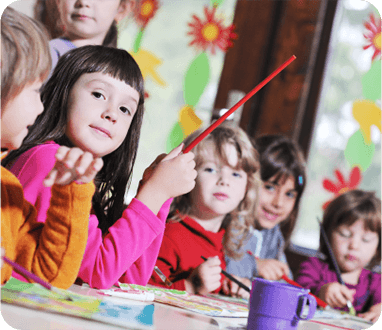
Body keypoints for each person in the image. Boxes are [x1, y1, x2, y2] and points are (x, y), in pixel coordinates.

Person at [2, 45, 197, 290]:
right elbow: (98, 273)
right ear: (63, 92)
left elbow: (128, 281)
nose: (111, 113)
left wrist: (158, 196)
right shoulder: (52, 161)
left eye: (125, 109)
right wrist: (154, 194)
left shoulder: (79, 173)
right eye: (98, 94)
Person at [0, 6, 103, 289]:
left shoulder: (7, 190)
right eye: (35, 91)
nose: (41, 106)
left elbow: (49, 277)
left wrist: (71, 192)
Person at [149, 123, 260, 298]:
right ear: (188, 176)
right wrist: (190, 286)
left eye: (236, 174)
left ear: (247, 188)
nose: (224, 180)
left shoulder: (221, 239)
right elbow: (143, 289)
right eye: (210, 169)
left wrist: (227, 287)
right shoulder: (169, 236)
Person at [225, 134, 307, 282]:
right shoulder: (228, 222)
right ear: (247, 179)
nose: (278, 203)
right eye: (269, 187)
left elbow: (285, 279)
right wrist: (255, 265)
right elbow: (220, 264)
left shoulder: (274, 235)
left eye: (289, 194)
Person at [296, 190, 381, 323]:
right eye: (345, 234)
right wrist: (320, 293)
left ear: (378, 247)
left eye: (366, 239)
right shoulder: (312, 267)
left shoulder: (376, 282)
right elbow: (298, 293)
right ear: (327, 235)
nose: (354, 246)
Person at [34, 0, 134, 72]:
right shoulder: (46, 55)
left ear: (122, 8)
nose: (83, 2)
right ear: (58, 1)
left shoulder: (120, 69)